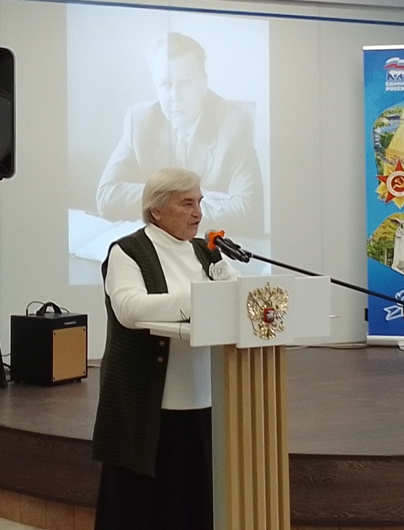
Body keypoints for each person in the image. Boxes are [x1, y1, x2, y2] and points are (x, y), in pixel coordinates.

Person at [92, 167, 238, 530]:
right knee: (146, 507)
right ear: (156, 210)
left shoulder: (206, 251)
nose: (198, 213)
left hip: (203, 397)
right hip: (147, 405)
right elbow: (129, 308)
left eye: (199, 202)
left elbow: (234, 295)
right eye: (186, 203)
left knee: (196, 503)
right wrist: (199, 300)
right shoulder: (128, 251)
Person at [96, 31, 264, 237]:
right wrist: (180, 199)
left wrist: (162, 205)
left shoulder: (234, 124)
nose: (174, 96)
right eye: (165, 85)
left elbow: (247, 210)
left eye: (185, 83)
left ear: (203, 83)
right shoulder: (139, 120)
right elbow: (107, 196)